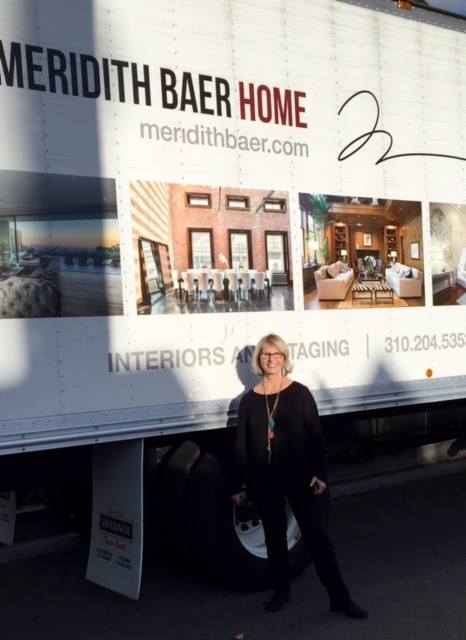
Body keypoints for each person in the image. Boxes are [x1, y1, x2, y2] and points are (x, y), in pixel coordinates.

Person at [230, 333, 368, 618]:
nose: (271, 359)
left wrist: (320, 474)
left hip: (299, 477)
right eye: (266, 355)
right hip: (264, 480)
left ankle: (340, 598)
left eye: (276, 354)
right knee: (275, 538)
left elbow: (316, 436)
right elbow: (241, 448)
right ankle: (282, 591)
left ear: (284, 358)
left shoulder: (299, 393)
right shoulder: (248, 402)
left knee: (318, 538)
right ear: (259, 360)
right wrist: (237, 484)